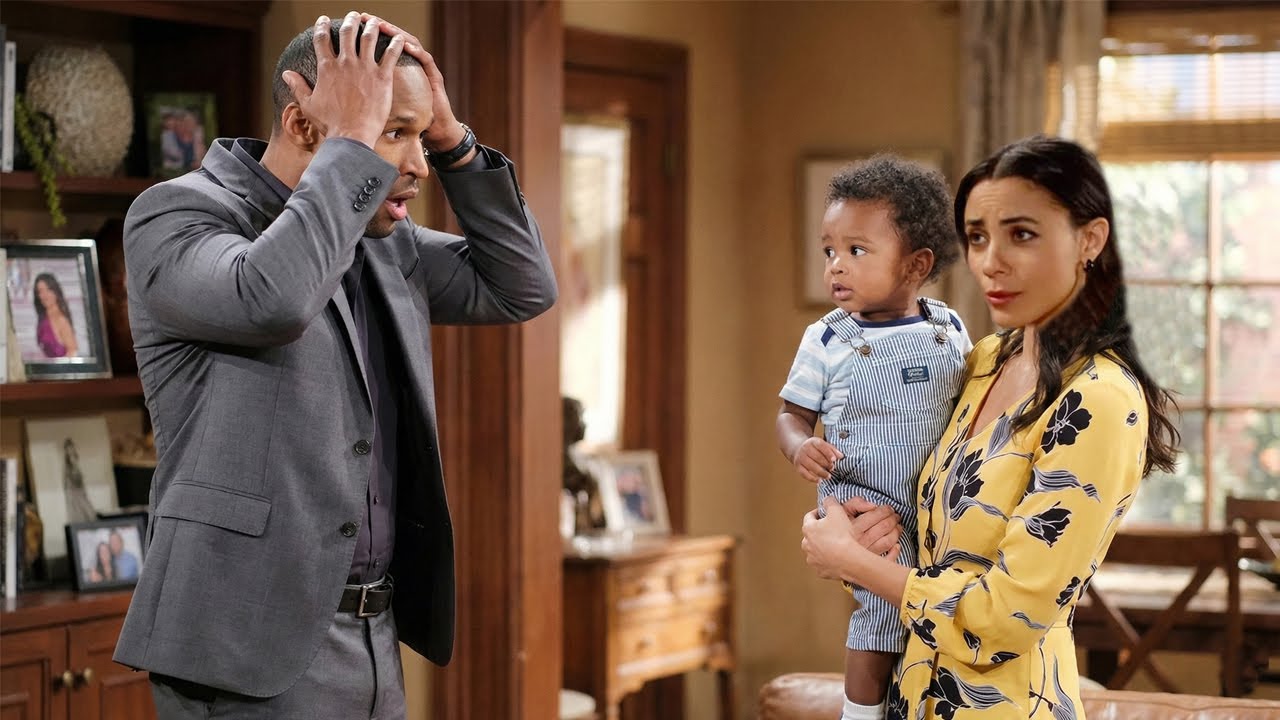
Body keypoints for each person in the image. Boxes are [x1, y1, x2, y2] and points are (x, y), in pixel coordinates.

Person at [113, 12, 557, 719]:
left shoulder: (385, 241)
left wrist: (455, 142)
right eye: (394, 132)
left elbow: (521, 286)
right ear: (303, 124)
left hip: (373, 639)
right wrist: (351, 143)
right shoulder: (176, 216)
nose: (417, 166)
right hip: (244, 651)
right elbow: (272, 299)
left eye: (421, 136)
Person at [800, 136, 1180, 720]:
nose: (991, 261)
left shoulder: (1099, 400)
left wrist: (855, 563)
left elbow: (1005, 620)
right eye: (978, 237)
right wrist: (868, 530)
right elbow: (924, 551)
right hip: (911, 699)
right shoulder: (982, 362)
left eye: (1021, 234)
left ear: (1090, 240)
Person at [777, 155, 973, 720]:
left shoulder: (949, 328)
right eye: (829, 251)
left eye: (856, 250)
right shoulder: (826, 339)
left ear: (916, 265)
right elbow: (790, 415)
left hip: (935, 502)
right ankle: (859, 713)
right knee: (883, 615)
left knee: (936, 603)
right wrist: (799, 446)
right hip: (864, 500)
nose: (836, 266)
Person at [32, 272, 77, 357]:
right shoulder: (43, 319)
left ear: (55, 291)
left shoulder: (61, 320)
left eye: (48, 289)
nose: (45, 295)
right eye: (40, 291)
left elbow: (72, 351)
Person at [62, 437, 96, 524]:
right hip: (73, 494)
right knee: (79, 515)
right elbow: (71, 481)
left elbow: (78, 479)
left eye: (71, 448)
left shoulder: (75, 461)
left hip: (79, 492)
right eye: (68, 449)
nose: (70, 451)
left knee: (88, 514)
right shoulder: (68, 466)